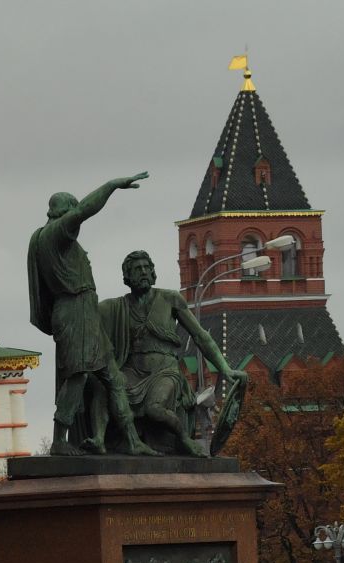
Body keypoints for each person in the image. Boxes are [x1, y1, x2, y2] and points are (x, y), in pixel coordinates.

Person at [26, 175, 156, 457]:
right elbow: (85, 209)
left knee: (113, 379)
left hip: (84, 312)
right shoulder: (54, 234)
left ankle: (133, 441)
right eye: (73, 212)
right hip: (74, 312)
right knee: (78, 375)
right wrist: (112, 185)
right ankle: (60, 439)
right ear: (65, 211)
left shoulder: (44, 238)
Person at [98, 249, 247, 456]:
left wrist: (225, 368)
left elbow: (200, 336)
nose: (143, 272)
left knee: (154, 409)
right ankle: (106, 441)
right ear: (127, 277)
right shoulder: (117, 307)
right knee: (103, 387)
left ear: (153, 273)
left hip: (164, 372)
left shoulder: (170, 299)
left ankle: (184, 439)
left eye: (146, 268)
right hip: (131, 372)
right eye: (136, 269)